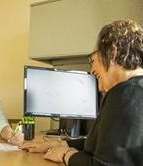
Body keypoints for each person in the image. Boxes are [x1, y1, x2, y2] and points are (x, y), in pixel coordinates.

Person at [21, 19, 143, 165]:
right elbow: (106, 145)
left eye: (93, 59)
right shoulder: (135, 91)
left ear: (112, 53)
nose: (92, 70)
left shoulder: (127, 94)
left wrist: (66, 155)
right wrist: (63, 144)